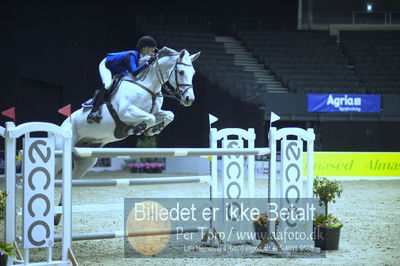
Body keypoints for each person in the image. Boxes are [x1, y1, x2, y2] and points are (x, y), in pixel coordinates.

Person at [87, 35, 157, 124]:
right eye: (152, 49)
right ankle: (93, 111)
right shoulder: (131, 55)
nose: (153, 52)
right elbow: (135, 72)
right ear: (145, 48)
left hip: (121, 69)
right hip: (107, 66)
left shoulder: (140, 57)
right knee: (107, 84)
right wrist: (148, 63)